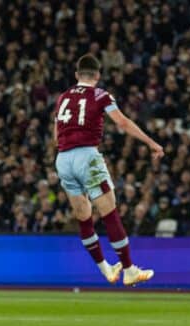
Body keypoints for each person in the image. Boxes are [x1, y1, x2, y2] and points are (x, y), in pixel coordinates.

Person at [54, 54, 164, 285]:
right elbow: (122, 122)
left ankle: (105, 268)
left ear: (76, 75)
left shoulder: (63, 97)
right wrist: (151, 142)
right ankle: (129, 269)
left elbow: (57, 133)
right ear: (98, 75)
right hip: (87, 156)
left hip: (63, 159)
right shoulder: (100, 94)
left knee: (84, 217)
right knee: (109, 212)